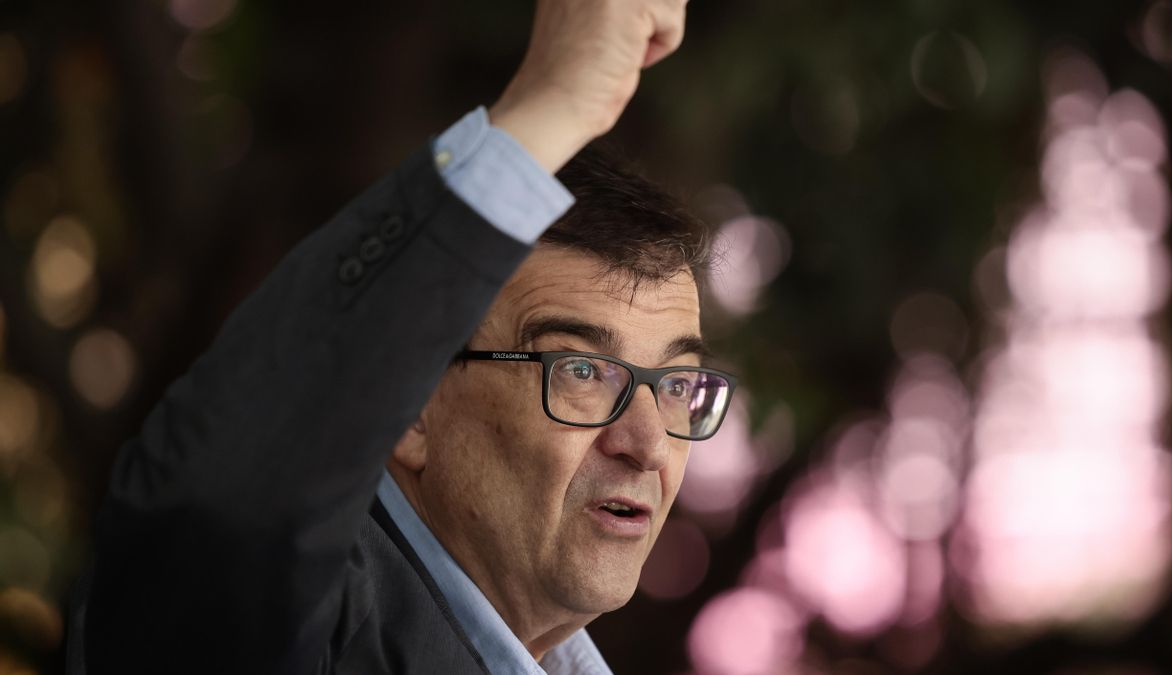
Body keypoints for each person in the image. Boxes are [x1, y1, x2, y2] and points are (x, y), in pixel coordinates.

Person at [68, 0, 736, 673]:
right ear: (412, 403)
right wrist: (550, 108)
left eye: (677, 385)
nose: (649, 445)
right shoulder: (270, 627)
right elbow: (231, 498)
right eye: (583, 370)